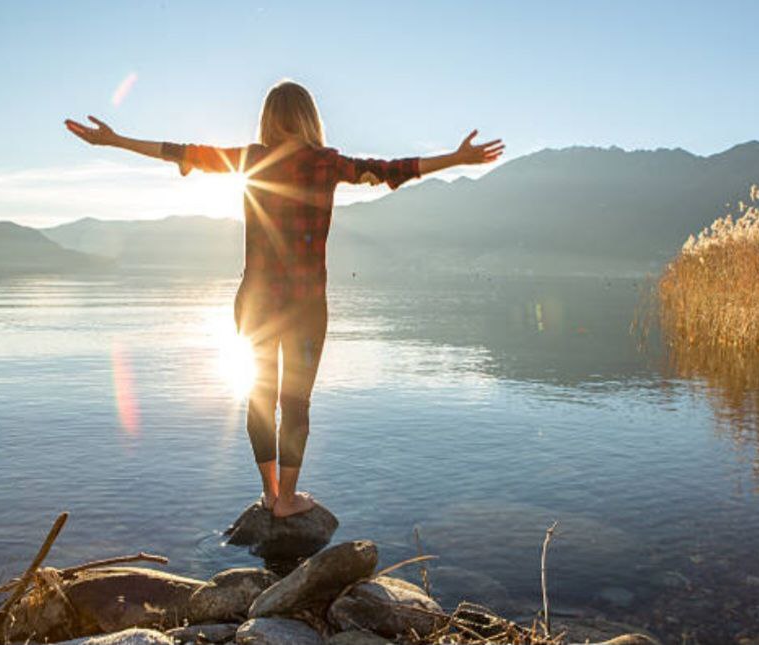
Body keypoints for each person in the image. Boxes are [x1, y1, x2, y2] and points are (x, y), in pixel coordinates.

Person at [66, 80, 504, 517]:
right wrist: (457, 158)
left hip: (254, 301)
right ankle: (289, 500)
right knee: (296, 402)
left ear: (268, 119)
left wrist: (115, 140)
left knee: (259, 396)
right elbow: (392, 169)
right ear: (311, 118)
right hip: (306, 304)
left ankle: (271, 493)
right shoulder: (327, 163)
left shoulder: (251, 160)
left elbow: (180, 151)